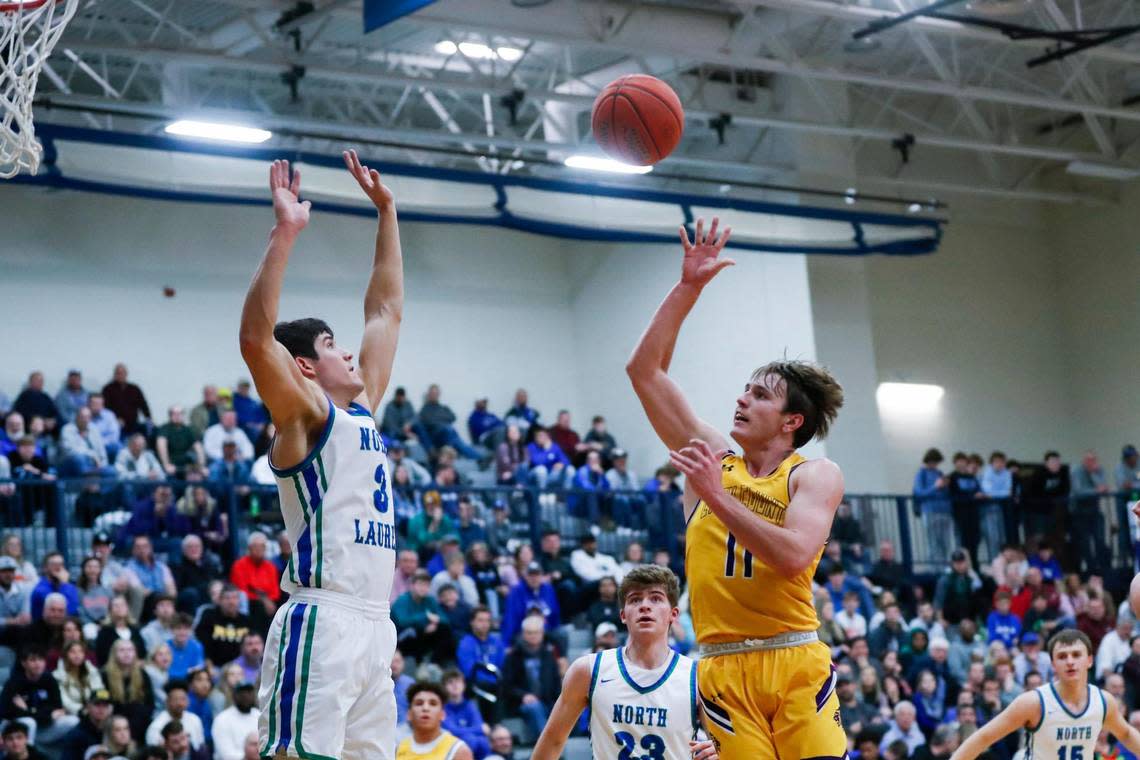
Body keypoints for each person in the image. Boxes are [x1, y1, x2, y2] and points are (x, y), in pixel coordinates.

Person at [626, 216, 848, 760]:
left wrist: (716, 496)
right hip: (722, 666)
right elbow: (643, 371)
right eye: (744, 390)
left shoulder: (813, 475)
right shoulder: (712, 456)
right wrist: (688, 288)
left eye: (761, 395)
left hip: (794, 660)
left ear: (792, 421)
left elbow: (795, 557)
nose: (742, 400)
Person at [242, 157, 403, 760]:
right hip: (322, 616)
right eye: (334, 346)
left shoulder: (364, 411)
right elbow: (257, 342)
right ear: (306, 366)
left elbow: (385, 311)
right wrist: (285, 234)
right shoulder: (305, 417)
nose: (351, 355)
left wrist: (387, 212)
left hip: (373, 623)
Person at [532, 565, 718, 760]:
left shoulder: (697, 677)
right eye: (635, 599)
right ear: (623, 615)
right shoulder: (588, 670)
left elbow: (728, 743)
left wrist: (721, 751)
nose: (645, 606)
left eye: (656, 598)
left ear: (673, 614)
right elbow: (553, 740)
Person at [950, 629, 1140, 760]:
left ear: (1090, 660)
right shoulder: (1034, 702)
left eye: (1076, 654)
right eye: (1062, 656)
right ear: (1052, 664)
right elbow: (983, 737)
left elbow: (1126, 733)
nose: (1070, 661)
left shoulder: (1103, 701)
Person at [0, 644, 80, 750]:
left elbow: (58, 707)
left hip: (43, 727)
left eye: (41, 660)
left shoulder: (50, 680)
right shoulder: (14, 683)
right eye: (33, 660)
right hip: (17, 729)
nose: (37, 664)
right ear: (24, 663)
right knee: (29, 722)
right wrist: (44, 714)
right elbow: (7, 712)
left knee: (73, 720)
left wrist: (28, 710)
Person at [498, 616, 561, 740]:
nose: (533, 636)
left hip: (547, 701)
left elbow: (556, 683)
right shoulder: (513, 656)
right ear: (523, 634)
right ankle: (547, 747)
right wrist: (523, 696)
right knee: (534, 707)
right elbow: (506, 686)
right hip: (520, 703)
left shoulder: (549, 656)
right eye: (529, 633)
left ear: (542, 633)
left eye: (536, 632)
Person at [395, 682, 473, 760]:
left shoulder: (458, 751)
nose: (425, 708)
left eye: (433, 704)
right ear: (409, 714)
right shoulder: (398, 748)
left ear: (442, 714)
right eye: (419, 703)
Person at [145, 680, 206, 750]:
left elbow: (200, 747)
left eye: (183, 699)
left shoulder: (195, 720)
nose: (180, 703)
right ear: (167, 702)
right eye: (175, 699)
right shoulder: (157, 727)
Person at [212, 682, 260, 760]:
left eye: (249, 692)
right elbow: (226, 755)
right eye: (242, 692)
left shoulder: (259, 715)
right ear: (234, 696)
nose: (246, 695)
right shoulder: (222, 719)